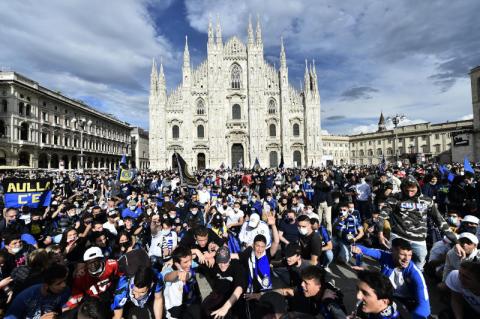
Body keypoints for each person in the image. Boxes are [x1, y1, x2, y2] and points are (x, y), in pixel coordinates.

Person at [380, 175, 460, 269]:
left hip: (419, 240)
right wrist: (380, 233)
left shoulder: (427, 201)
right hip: (399, 237)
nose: (410, 194)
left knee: (418, 268)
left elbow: (439, 220)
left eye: (412, 190)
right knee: (392, 265)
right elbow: (382, 216)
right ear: (402, 188)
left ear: (418, 188)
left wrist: (456, 242)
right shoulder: (394, 199)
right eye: (407, 190)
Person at [352, 238, 430, 319]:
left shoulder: (415, 273)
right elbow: (365, 249)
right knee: (362, 306)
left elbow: (424, 307)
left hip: (404, 302)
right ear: (393, 251)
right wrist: (356, 248)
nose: (407, 259)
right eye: (403, 254)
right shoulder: (386, 256)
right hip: (387, 296)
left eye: (410, 255)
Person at [5, 263, 70, 319]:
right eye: (58, 283)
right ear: (46, 286)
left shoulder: (65, 291)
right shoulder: (24, 297)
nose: (64, 285)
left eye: (64, 280)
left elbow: (64, 307)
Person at [202, 246, 247, 319]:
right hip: (218, 295)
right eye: (220, 262)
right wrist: (207, 256)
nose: (222, 265)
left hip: (233, 298)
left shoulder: (237, 266)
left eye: (225, 262)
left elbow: (239, 288)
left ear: (229, 259)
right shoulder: (214, 263)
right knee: (205, 308)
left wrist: (225, 308)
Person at [162, 245, 202, 319]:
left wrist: (197, 251)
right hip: (175, 309)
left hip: (192, 302)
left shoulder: (189, 265)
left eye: (190, 260)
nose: (189, 264)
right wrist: (178, 273)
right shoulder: (168, 269)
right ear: (177, 264)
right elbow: (167, 277)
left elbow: (200, 259)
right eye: (186, 262)